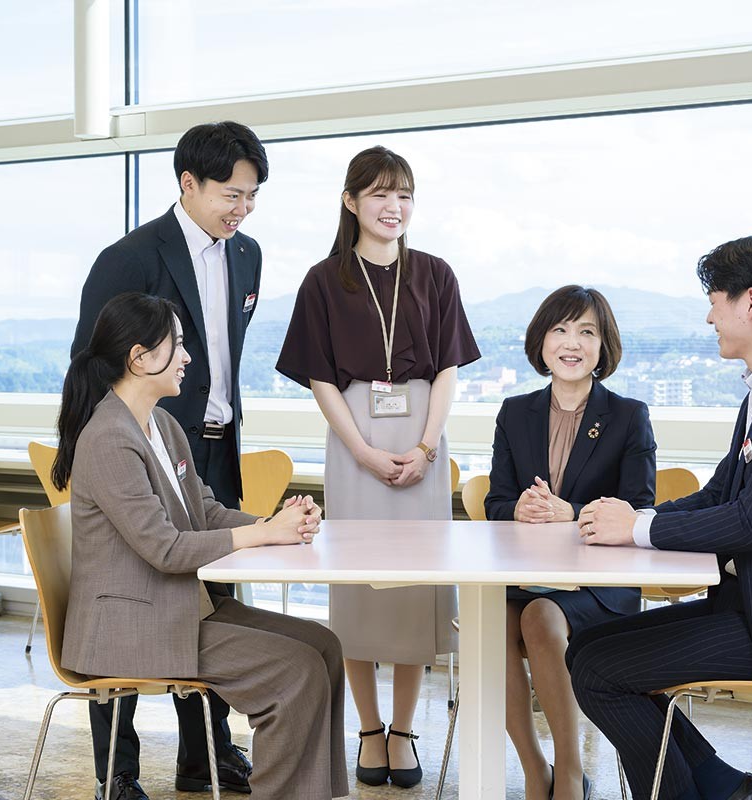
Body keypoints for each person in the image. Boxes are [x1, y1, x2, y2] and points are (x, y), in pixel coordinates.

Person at [567, 236, 752, 800]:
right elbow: (718, 494)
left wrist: (633, 529)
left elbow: (749, 521)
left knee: (601, 670)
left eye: (715, 300)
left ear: (750, 302)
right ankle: (727, 788)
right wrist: (636, 519)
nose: (709, 316)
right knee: (586, 647)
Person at [55, 292, 347, 800]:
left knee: (324, 647)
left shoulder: (162, 426)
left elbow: (204, 512)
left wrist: (274, 522)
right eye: (179, 344)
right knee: (294, 671)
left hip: (174, 607)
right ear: (140, 357)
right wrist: (263, 534)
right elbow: (164, 549)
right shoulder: (107, 438)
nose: (189, 357)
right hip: (130, 626)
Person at [69, 122, 268, 797]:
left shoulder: (249, 257)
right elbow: (91, 361)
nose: (241, 210)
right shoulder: (129, 256)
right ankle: (117, 775)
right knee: (126, 596)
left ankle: (206, 755)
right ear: (188, 184)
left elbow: (224, 359)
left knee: (213, 600)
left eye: (251, 197)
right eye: (230, 195)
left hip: (212, 449)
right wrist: (118, 448)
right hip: (140, 451)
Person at [275, 145, 480, 789]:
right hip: (354, 437)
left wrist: (425, 447)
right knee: (359, 587)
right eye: (379, 194)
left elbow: (446, 369)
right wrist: (362, 449)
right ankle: (367, 728)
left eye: (404, 195)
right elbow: (318, 375)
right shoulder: (323, 279)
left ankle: (404, 728)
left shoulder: (436, 274)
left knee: (415, 587)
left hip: (423, 432)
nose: (394, 207)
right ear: (350, 201)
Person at [484, 285, 655, 800]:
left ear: (604, 347)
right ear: (541, 343)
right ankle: (534, 770)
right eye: (560, 330)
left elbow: (639, 510)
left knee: (540, 618)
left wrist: (573, 514)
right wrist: (516, 508)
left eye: (586, 331)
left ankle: (571, 771)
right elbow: (495, 503)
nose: (571, 343)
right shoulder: (515, 413)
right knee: (490, 622)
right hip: (526, 574)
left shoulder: (628, 416)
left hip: (595, 584)